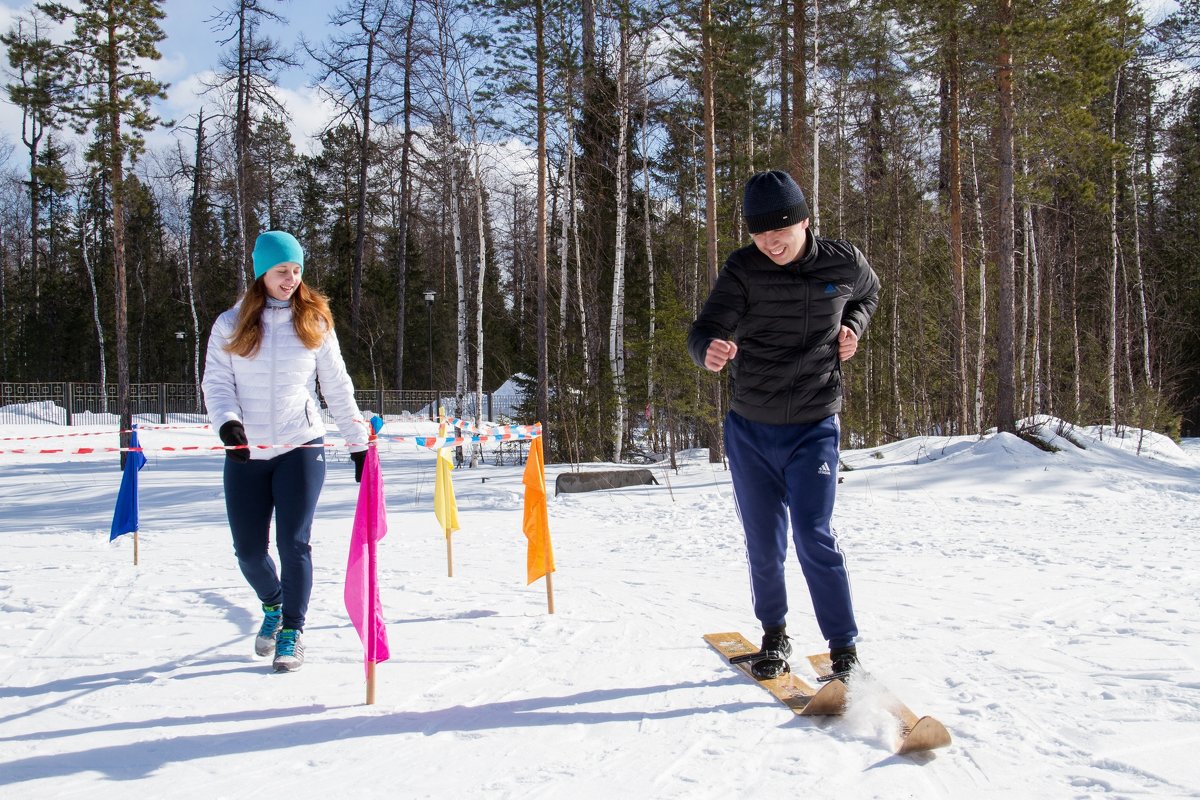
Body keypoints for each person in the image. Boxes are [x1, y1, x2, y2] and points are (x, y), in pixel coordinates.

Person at [687, 170, 880, 681]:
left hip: (815, 424)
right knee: (764, 540)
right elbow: (706, 326)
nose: (771, 241)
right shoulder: (743, 270)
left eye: (781, 230)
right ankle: (773, 633)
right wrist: (707, 349)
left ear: (805, 221)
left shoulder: (844, 261)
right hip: (751, 428)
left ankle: (844, 652)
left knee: (814, 534)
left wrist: (852, 326)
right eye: (760, 232)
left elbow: (869, 293)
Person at [202, 230, 370, 673]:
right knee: (249, 552)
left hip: (301, 444)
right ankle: (273, 605)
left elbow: (336, 385)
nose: (291, 278)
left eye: (296, 270)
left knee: (294, 542)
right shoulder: (230, 323)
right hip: (246, 450)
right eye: (282, 270)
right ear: (261, 273)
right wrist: (228, 425)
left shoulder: (314, 321)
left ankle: (293, 631)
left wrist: (356, 443)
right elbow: (217, 383)